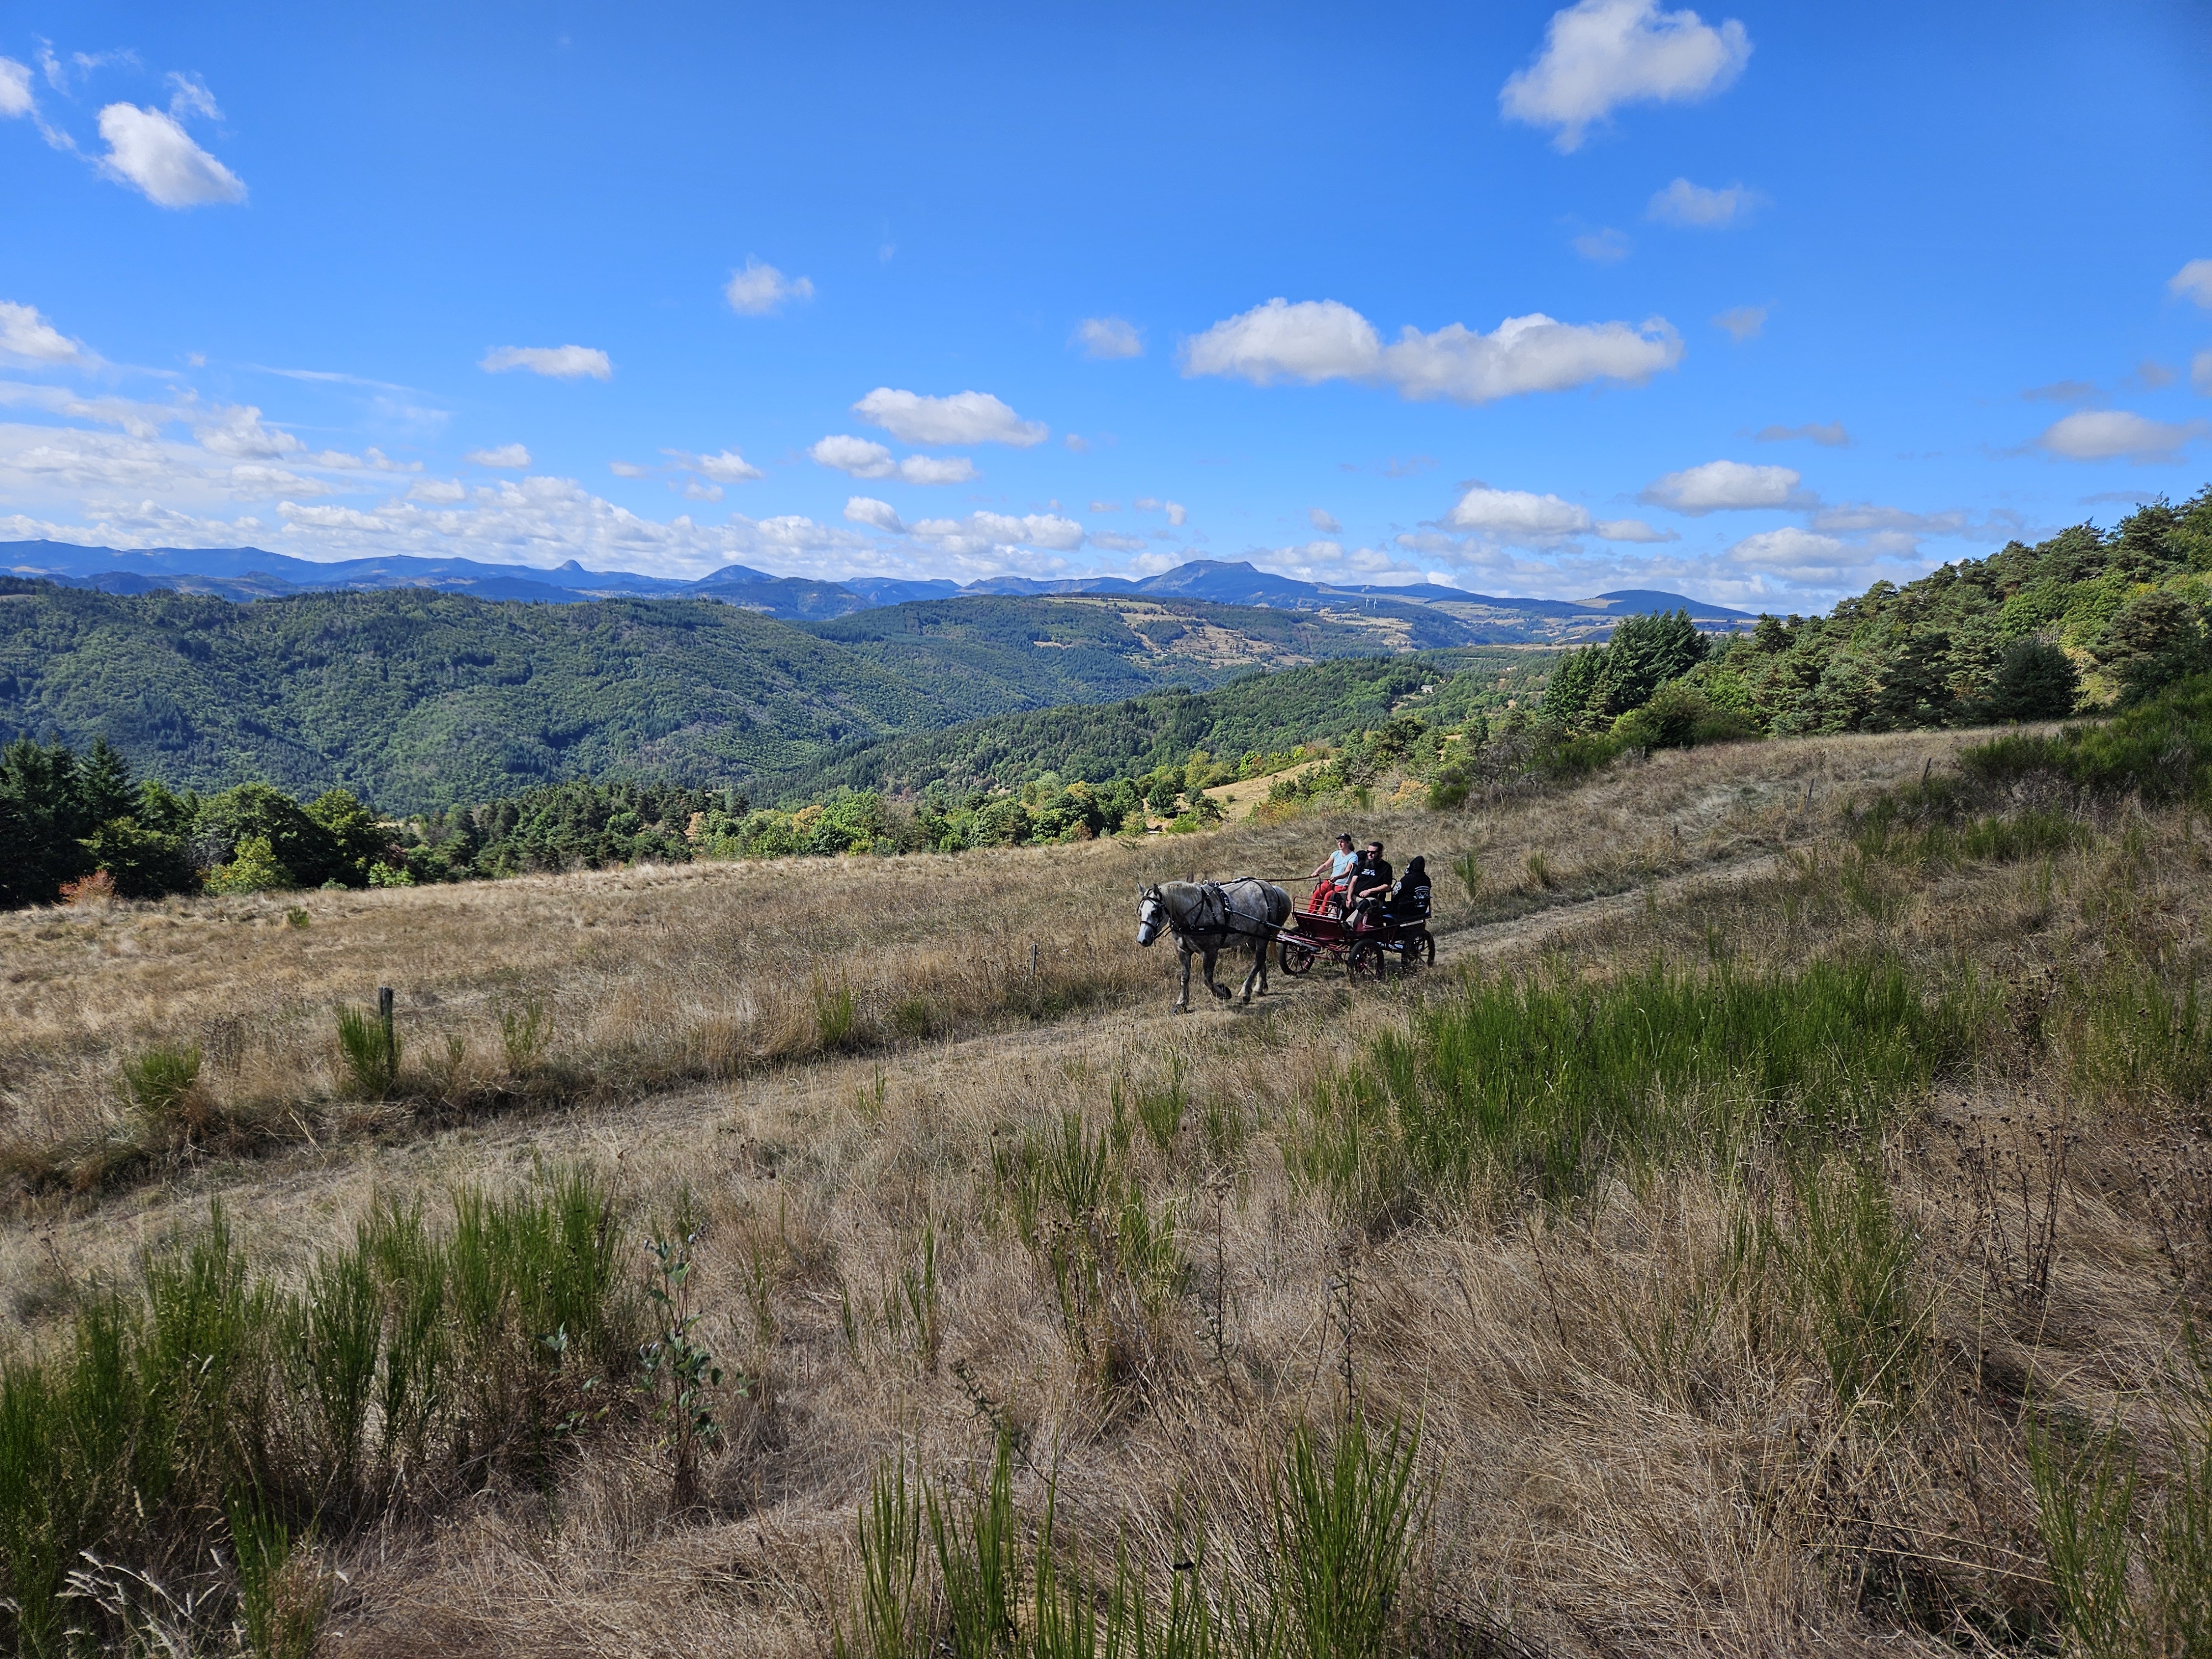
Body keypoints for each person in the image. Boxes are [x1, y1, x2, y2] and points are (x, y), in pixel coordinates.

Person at [1308, 832, 1358, 914]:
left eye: (1342, 842)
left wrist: (1337, 878)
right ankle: (1311, 913)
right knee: (1318, 892)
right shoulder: (1336, 854)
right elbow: (1325, 865)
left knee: (1328, 896)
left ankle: (1322, 916)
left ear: (1348, 843)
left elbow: (1347, 872)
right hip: (1332, 882)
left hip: (1342, 885)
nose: (1340, 844)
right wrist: (1317, 872)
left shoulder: (1353, 857)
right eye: (1339, 842)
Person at [1347, 841, 1393, 928]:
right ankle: (1331, 921)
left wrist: (1370, 891)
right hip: (1355, 897)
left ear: (1380, 854)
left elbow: (1387, 887)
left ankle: (1349, 925)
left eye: (1373, 853)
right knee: (1337, 896)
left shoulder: (1386, 867)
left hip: (1373, 900)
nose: (1370, 855)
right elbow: (1353, 881)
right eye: (1368, 852)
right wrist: (1349, 897)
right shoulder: (1362, 864)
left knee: (1365, 903)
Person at [1391, 855, 1431, 923]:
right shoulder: (1427, 879)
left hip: (1405, 911)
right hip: (1422, 910)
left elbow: (1395, 893)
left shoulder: (1407, 879)